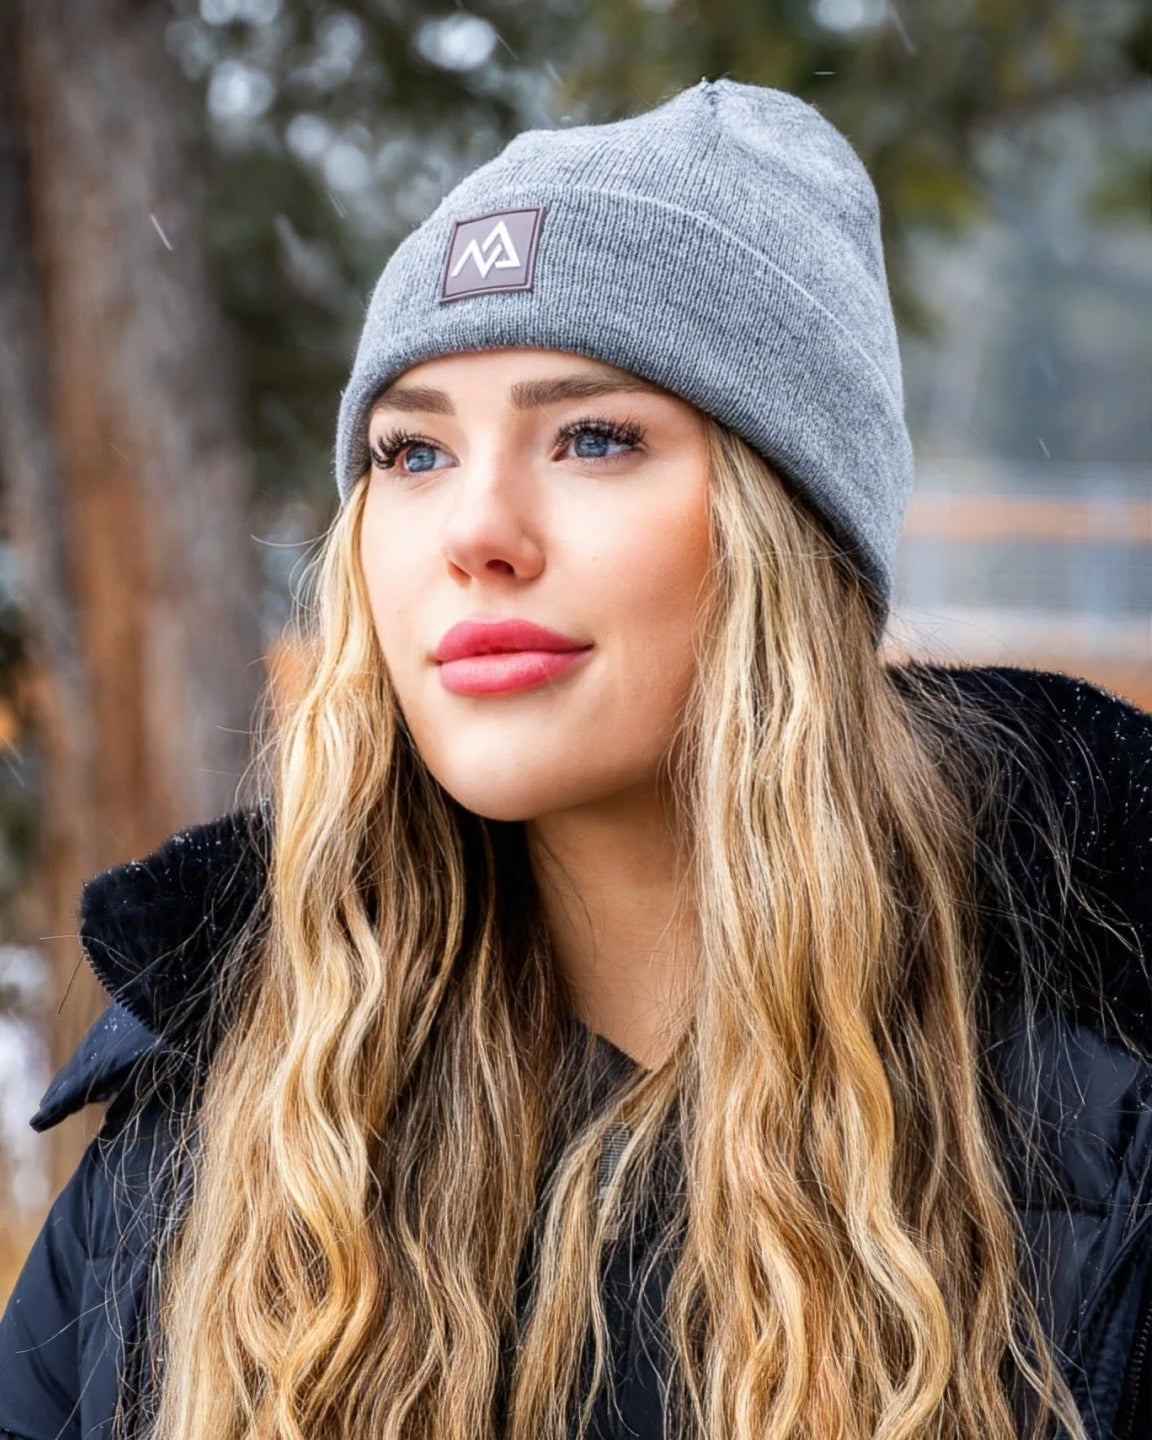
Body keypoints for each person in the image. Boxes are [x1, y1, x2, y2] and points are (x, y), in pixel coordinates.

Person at [1, 77, 1149, 1440]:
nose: (476, 530)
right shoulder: (213, 1121)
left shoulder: (1105, 1123)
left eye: (595, 436)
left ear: (787, 531)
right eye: (412, 451)